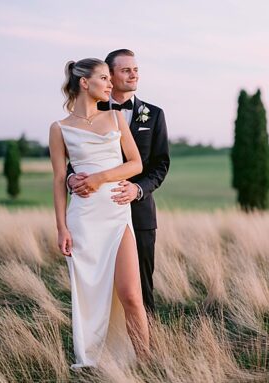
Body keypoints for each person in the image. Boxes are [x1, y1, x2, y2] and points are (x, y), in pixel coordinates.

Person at [49, 58, 149, 368]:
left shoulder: (116, 118)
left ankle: (146, 362)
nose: (110, 84)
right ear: (84, 82)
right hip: (83, 220)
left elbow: (136, 164)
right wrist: (62, 229)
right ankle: (95, 358)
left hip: (117, 214)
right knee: (91, 294)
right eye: (104, 78)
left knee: (131, 294)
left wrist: (100, 178)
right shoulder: (60, 128)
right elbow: (57, 179)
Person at [68, 49, 170, 314]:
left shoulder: (155, 114)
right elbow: (75, 158)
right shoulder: (91, 113)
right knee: (98, 284)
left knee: (141, 287)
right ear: (110, 75)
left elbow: (161, 164)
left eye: (135, 69)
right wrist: (71, 179)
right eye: (126, 70)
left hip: (139, 213)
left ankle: (148, 347)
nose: (133, 74)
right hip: (97, 212)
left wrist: (138, 189)